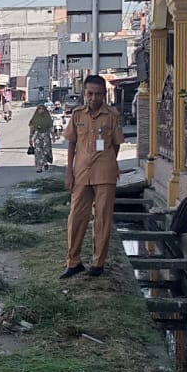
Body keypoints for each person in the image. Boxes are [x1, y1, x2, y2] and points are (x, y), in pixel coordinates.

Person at [61, 74, 125, 279]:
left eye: (98, 94)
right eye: (90, 94)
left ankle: (98, 263)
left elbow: (116, 144)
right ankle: (74, 261)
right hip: (80, 173)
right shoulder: (77, 115)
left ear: (104, 94)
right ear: (84, 94)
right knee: (76, 217)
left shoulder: (112, 115)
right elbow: (72, 143)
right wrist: (69, 171)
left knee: (102, 219)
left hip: (105, 173)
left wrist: (107, 163)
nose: (94, 98)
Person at [29, 102, 54, 171]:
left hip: (46, 135)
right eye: (39, 109)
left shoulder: (47, 118)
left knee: (46, 150)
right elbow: (32, 128)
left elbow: (51, 127)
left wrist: (53, 136)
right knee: (38, 151)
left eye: (42, 109)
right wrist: (30, 138)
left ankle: (45, 163)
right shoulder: (35, 118)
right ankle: (39, 167)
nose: (41, 110)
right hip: (37, 136)